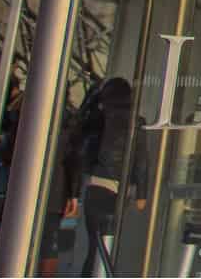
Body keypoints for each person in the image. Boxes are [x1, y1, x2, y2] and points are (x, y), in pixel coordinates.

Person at [59, 77, 147, 277]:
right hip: (120, 186)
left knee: (94, 242)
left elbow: (78, 154)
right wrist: (142, 194)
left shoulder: (95, 119)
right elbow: (142, 162)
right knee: (110, 243)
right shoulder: (136, 122)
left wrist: (73, 194)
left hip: (94, 184)